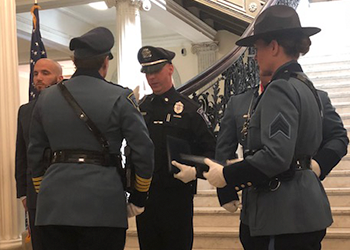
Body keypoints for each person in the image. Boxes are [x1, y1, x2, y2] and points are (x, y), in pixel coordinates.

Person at [202, 5, 335, 250]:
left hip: (280, 215)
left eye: (257, 48)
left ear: (273, 46)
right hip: (303, 211)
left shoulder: (280, 87)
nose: (255, 57)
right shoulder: (305, 86)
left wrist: (227, 176)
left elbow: (276, 156)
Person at [27, 27, 154, 250]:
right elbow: (143, 150)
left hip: (53, 207)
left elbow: (35, 154)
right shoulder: (121, 97)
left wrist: (46, 191)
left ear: (75, 61)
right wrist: (139, 196)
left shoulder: (45, 99)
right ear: (105, 62)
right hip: (103, 205)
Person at [215, 75, 349, 212]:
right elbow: (224, 148)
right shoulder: (239, 102)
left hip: (301, 197)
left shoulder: (315, 98)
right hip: (255, 202)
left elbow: (338, 138)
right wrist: (226, 190)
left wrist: (319, 164)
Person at [136, 46, 216, 250]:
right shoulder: (141, 108)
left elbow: (211, 150)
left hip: (176, 198)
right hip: (147, 195)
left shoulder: (189, 110)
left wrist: (196, 172)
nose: (151, 77)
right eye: (147, 73)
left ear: (170, 69)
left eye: (156, 71)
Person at [15, 58, 63, 250]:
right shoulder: (25, 111)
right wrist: (23, 194)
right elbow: (22, 154)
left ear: (59, 78)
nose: (39, 78)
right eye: (35, 74)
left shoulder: (67, 109)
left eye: (45, 73)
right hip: (35, 193)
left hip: (64, 189)